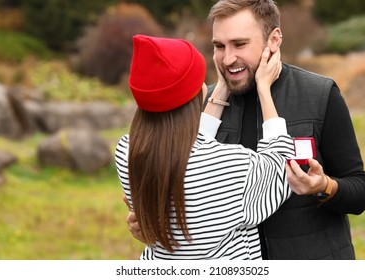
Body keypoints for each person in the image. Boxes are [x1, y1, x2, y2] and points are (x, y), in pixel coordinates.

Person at [126, 0, 365, 260]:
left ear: (274, 40)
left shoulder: (319, 94)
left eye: (240, 44)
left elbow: (359, 191)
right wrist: (155, 224)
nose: (228, 58)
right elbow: (181, 186)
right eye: (219, 46)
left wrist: (325, 185)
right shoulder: (203, 107)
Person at [115, 34, 299, 259]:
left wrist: (221, 88)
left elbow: (188, 152)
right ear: (200, 94)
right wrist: (264, 88)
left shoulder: (126, 152)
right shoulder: (231, 166)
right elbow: (281, 166)